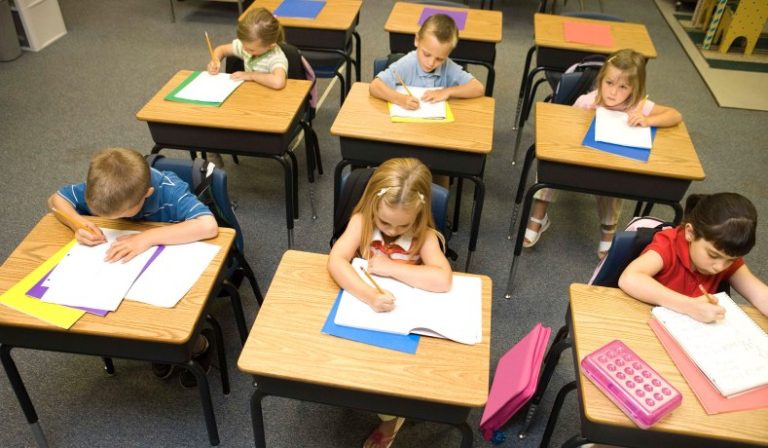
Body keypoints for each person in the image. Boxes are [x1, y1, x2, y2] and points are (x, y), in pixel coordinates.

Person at [49, 147, 220, 387]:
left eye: (122, 214)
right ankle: (156, 347)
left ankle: (200, 345)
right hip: (130, 269)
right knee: (120, 306)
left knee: (169, 312)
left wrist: (146, 238)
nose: (116, 220)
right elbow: (56, 200)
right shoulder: (105, 188)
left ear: (147, 194)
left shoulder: (170, 191)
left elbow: (208, 226)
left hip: (173, 263)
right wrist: (78, 224)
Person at [327, 158, 452, 447]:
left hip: (405, 321)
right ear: (373, 205)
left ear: (419, 214)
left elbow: (443, 279)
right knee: (348, 364)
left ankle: (393, 417)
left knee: (394, 374)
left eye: (403, 224)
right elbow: (336, 260)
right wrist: (368, 294)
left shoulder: (425, 235)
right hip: (366, 309)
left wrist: (392, 267)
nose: (393, 231)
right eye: (384, 222)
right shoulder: (361, 222)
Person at [524, 49, 684, 258]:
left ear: (634, 88)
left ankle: (608, 230)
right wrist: (584, 119)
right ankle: (539, 216)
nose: (613, 92)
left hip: (610, 165)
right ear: (601, 80)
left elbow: (675, 115)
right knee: (550, 163)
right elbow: (563, 132)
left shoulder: (638, 106)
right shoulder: (587, 101)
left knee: (613, 181)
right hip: (578, 159)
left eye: (623, 87)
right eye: (609, 83)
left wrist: (648, 120)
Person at [619, 193, 768, 323]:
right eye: (713, 255)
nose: (720, 267)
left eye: (731, 260)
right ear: (690, 233)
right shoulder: (668, 245)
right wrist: (689, 306)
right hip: (642, 320)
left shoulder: (725, 256)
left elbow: (760, 295)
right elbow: (630, 278)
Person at [369, 13, 484, 110]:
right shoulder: (407, 64)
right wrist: (400, 99)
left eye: (439, 59)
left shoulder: (447, 66)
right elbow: (375, 86)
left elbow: (478, 88)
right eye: (427, 54)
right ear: (417, 40)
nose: (431, 63)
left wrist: (447, 92)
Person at [206, 7, 287, 90]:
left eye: (251, 50)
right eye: (243, 44)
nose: (244, 49)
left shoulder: (276, 57)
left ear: (271, 46)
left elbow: (278, 82)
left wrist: (251, 75)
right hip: (249, 91)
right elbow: (221, 50)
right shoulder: (246, 46)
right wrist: (215, 59)